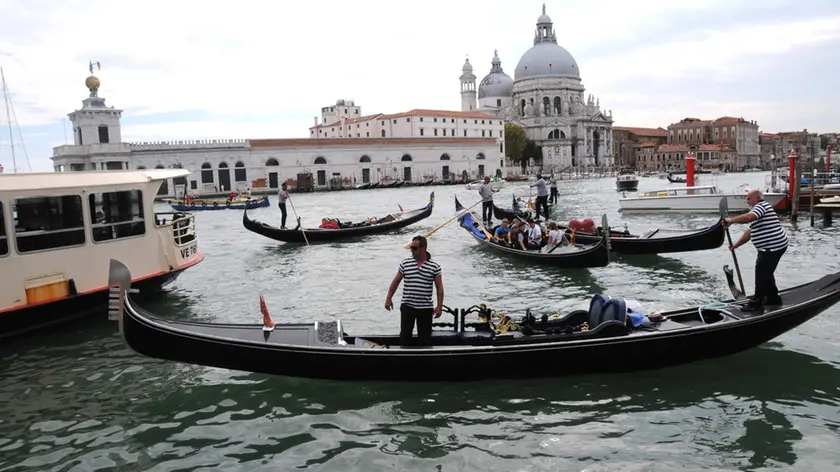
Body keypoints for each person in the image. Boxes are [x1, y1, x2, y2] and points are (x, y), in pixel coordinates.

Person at [724, 188, 789, 311]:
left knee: (761, 273)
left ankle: (756, 303)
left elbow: (749, 218)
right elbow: (750, 232)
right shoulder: (757, 210)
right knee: (766, 272)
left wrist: (731, 220)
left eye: (749, 198)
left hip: (773, 247)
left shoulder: (762, 206)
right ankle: (773, 298)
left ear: (757, 198)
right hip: (771, 246)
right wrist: (735, 245)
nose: (746, 201)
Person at [385, 236, 444, 347]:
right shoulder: (405, 263)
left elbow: (439, 288)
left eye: (414, 248)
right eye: (411, 248)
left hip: (425, 308)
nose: (411, 250)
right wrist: (389, 298)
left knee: (425, 338)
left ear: (423, 248)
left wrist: (439, 306)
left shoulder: (434, 266)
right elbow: (396, 281)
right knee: (405, 336)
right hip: (408, 306)